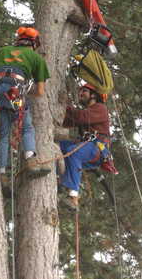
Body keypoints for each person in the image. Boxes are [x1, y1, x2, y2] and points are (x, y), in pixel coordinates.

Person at [0, 26, 51, 189]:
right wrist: (25, 92)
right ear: (34, 44)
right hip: (14, 94)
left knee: (3, 134)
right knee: (27, 128)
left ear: (18, 40)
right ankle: (31, 161)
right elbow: (40, 92)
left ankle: (2, 175)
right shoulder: (36, 59)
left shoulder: (3, 51)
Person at [59, 83, 117, 211]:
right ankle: (60, 183)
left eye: (84, 91)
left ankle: (73, 196)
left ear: (94, 95)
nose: (80, 94)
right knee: (58, 147)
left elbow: (81, 117)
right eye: (80, 91)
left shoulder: (100, 108)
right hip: (87, 147)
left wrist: (66, 105)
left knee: (73, 152)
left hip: (97, 149)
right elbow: (68, 121)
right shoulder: (86, 112)